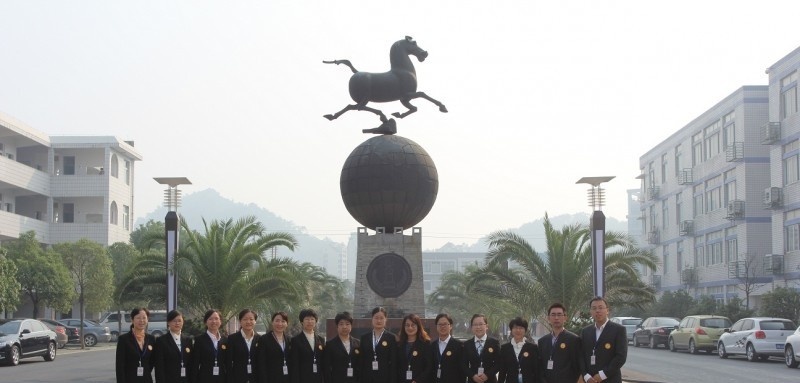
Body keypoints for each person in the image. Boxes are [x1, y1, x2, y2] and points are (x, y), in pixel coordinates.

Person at [580, 297, 627, 383]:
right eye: (594, 308)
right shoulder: (585, 331)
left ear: (607, 310)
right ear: (591, 312)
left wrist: (602, 375)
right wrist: (586, 376)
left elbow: (621, 357)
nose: (597, 311)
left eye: (601, 307)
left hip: (610, 379)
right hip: (590, 379)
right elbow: (581, 355)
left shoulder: (618, 330)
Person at [537, 303, 582, 383]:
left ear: (565, 318)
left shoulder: (574, 339)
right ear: (548, 318)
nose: (556, 318)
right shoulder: (542, 341)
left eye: (559, 315)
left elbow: (577, 366)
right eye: (553, 315)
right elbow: (540, 366)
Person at [116, 307, 156, 383]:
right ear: (132, 319)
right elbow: (120, 366)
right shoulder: (124, 339)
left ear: (148, 320)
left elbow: (152, 361)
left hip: (146, 379)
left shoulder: (151, 339)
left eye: (144, 318)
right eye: (138, 318)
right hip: (129, 379)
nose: (141, 321)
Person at [360, 306, 397, 383]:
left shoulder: (391, 338)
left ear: (386, 319)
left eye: (381, 318)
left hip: (385, 378)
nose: (379, 320)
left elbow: (393, 362)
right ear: (372, 319)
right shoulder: (364, 338)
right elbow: (361, 361)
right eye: (376, 318)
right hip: (367, 377)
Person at [497, 317, 540, 383]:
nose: (518, 330)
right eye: (515, 328)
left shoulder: (533, 348)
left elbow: (536, 370)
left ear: (525, 330)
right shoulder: (505, 348)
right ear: (511, 330)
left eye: (521, 328)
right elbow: (502, 371)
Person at [154, 310, 193, 383]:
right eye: (174, 321)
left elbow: (191, 364)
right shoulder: (161, 341)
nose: (177, 323)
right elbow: (159, 367)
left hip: (185, 380)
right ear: (168, 322)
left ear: (183, 322)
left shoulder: (188, 340)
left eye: (179, 321)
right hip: (169, 379)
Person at [191, 309, 227, 383]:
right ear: (205, 322)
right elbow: (195, 363)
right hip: (204, 378)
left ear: (220, 321)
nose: (214, 321)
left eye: (216, 319)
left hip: (222, 378)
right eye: (210, 319)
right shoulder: (199, 340)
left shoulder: (225, 340)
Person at [461, 314, 500, 383]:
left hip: (490, 380)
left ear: (486, 326)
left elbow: (499, 363)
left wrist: (487, 375)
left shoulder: (494, 343)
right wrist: (473, 375)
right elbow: (464, 365)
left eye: (481, 324)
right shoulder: (467, 344)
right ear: (472, 327)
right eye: (475, 325)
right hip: (473, 380)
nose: (478, 327)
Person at [324, 311, 360, 383]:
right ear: (337, 326)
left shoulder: (358, 343)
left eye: (347, 324)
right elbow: (326, 368)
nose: (344, 327)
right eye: (341, 324)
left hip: (354, 380)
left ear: (351, 326)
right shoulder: (330, 345)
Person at [225, 309, 260, 383]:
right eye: (245, 319)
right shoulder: (232, 338)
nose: (248, 322)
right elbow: (228, 362)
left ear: (255, 321)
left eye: (251, 319)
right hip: (238, 378)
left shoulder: (260, 339)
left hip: (255, 378)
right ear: (240, 321)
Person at [255, 312, 291, 383]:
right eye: (277, 321)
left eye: (283, 321)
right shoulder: (264, 339)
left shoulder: (289, 340)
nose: (280, 324)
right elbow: (261, 363)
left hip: (287, 378)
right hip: (270, 378)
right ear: (272, 322)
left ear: (287, 324)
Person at [290, 308, 325, 383]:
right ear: (302, 321)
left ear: (315, 321)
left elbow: (324, 362)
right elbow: (295, 364)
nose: (310, 322)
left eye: (312, 319)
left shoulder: (321, 340)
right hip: (303, 378)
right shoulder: (295, 340)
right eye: (307, 319)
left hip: (318, 378)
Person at [397, 313, 433, 383]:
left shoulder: (426, 344)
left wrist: (418, 380)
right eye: (407, 325)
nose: (410, 328)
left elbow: (429, 367)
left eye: (413, 325)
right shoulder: (399, 344)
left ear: (418, 326)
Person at [430, 313, 464, 383]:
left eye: (445, 324)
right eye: (440, 324)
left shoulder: (459, 345)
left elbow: (462, 368)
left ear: (450, 326)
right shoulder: (432, 346)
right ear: (436, 326)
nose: (442, 327)